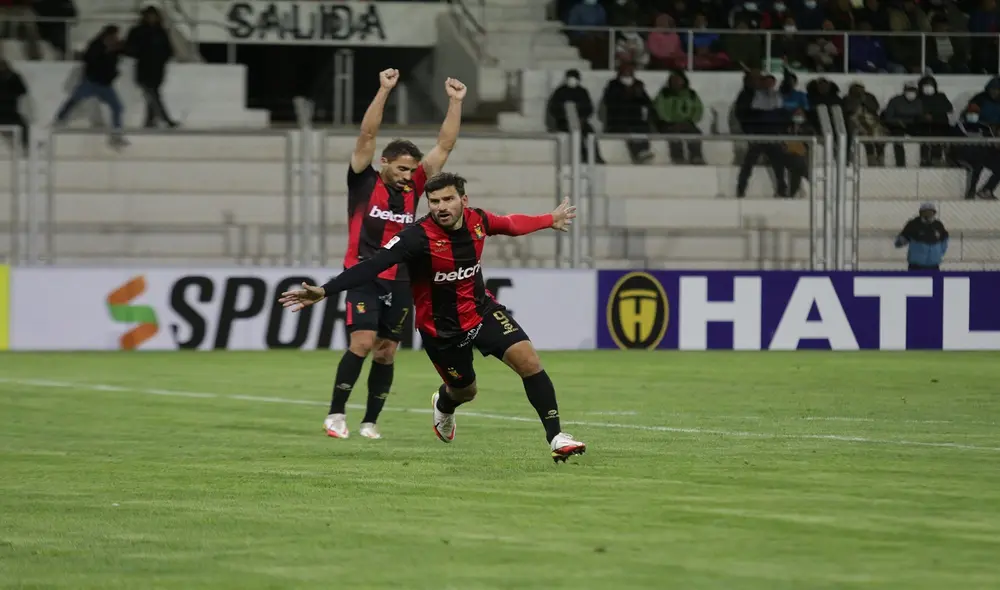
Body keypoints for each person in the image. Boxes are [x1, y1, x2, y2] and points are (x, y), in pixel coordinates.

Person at [279, 173, 587, 463]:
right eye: (434, 201)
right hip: (441, 331)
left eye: (447, 199)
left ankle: (557, 437)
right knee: (465, 391)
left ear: (463, 201)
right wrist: (326, 289)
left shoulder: (477, 221)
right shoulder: (415, 237)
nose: (441, 207)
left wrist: (550, 219)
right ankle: (444, 403)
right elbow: (373, 264)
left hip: (481, 311)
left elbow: (510, 223)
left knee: (529, 361)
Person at [321, 69, 466, 441]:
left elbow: (445, 146)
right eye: (402, 168)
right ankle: (336, 414)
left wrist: (456, 102)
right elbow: (367, 133)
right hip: (362, 274)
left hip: (401, 278)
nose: (408, 176)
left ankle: (370, 421)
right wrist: (383, 89)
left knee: (386, 352)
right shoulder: (362, 179)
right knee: (363, 343)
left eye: (412, 170)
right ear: (384, 162)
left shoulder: (415, 184)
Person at [53, 25, 127, 148]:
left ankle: (116, 135)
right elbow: (90, 61)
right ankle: (59, 121)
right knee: (74, 100)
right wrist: (106, 52)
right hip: (91, 82)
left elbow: (121, 57)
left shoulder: (115, 49)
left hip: (105, 85)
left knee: (117, 107)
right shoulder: (96, 45)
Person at [125, 5, 178, 128]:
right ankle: (166, 119)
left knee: (152, 95)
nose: (151, 18)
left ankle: (149, 121)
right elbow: (129, 48)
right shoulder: (137, 31)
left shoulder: (161, 32)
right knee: (154, 95)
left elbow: (168, 50)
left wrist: (164, 58)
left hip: (157, 69)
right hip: (144, 69)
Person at [894, 202, 948, 271]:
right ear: (921, 213)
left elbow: (944, 240)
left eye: (931, 212)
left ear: (934, 213)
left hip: (934, 266)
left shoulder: (938, 225)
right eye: (926, 212)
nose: (929, 214)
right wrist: (901, 241)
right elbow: (901, 239)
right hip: (916, 266)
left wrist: (939, 253)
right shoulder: (913, 224)